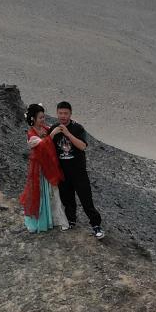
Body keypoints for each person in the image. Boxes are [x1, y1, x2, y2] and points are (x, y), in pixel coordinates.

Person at [52, 100, 104, 239]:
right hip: (63, 172)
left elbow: (82, 146)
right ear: (57, 113)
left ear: (70, 114)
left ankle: (96, 225)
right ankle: (71, 220)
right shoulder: (54, 128)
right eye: (60, 113)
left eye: (66, 113)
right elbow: (46, 147)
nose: (63, 116)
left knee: (86, 200)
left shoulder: (78, 128)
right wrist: (52, 134)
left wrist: (68, 134)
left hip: (78, 172)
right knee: (67, 199)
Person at [20, 104, 69, 233]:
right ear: (34, 119)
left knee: (51, 192)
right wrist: (51, 135)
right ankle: (42, 220)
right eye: (41, 117)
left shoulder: (44, 128)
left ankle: (52, 219)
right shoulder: (31, 134)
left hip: (46, 166)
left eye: (43, 117)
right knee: (41, 193)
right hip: (39, 169)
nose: (43, 120)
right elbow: (42, 146)